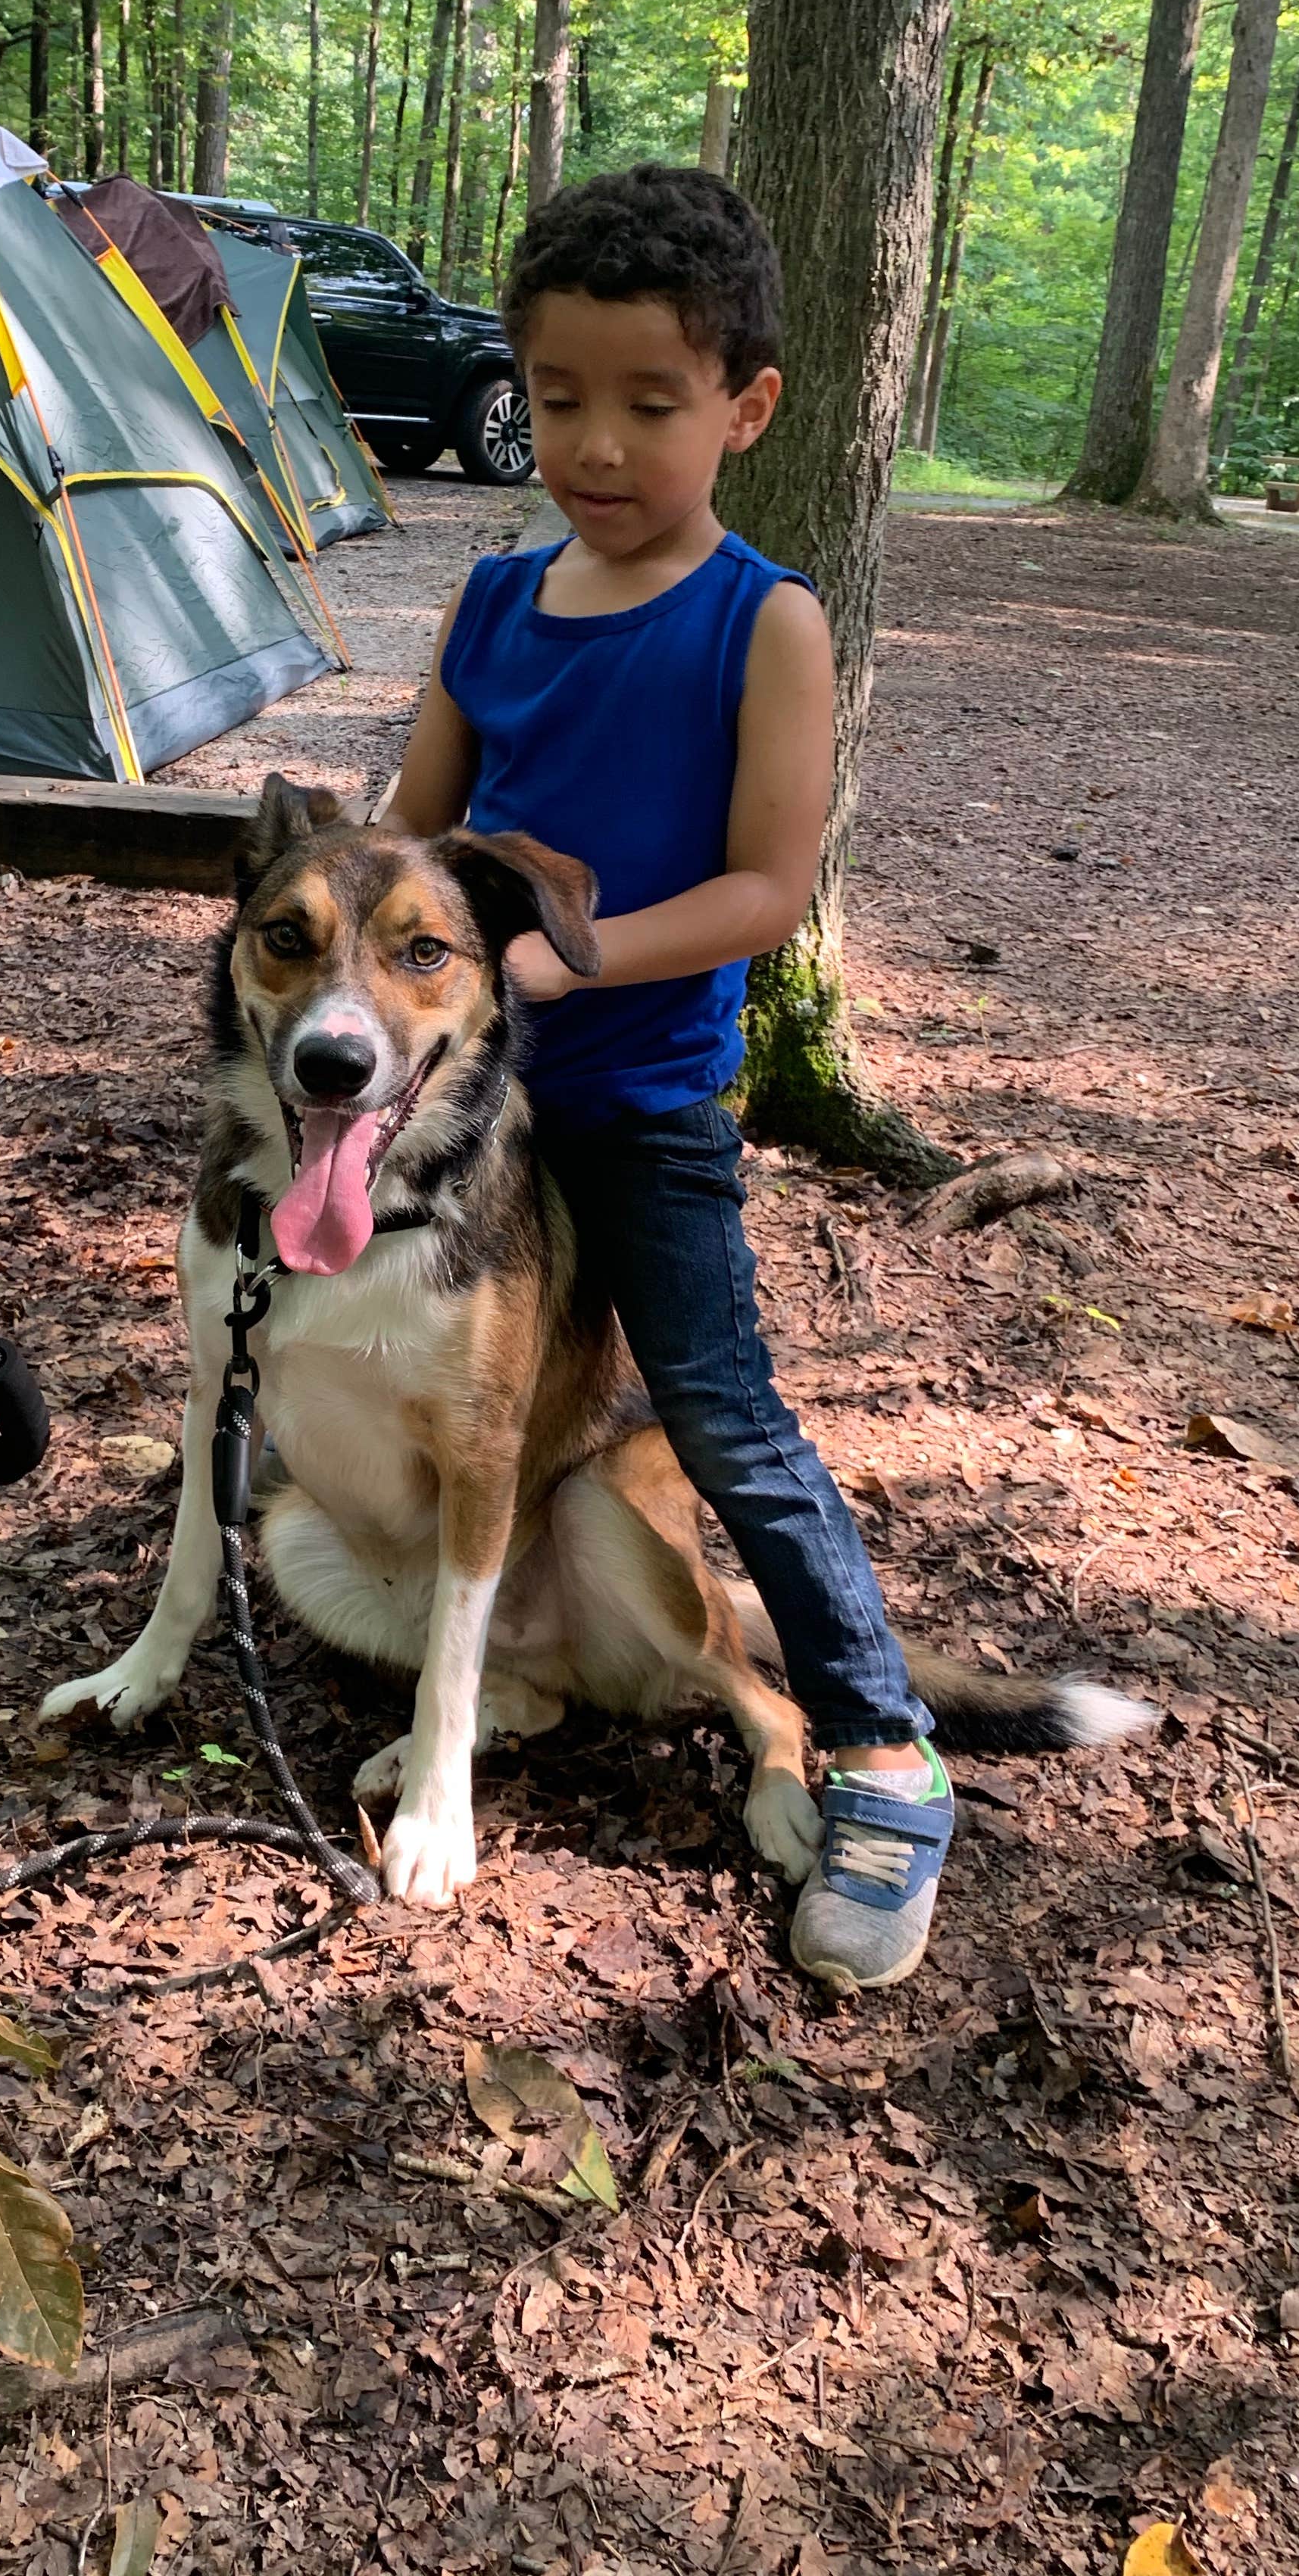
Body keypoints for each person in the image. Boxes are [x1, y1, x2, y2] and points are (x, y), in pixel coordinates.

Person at [386, 161, 948, 1991]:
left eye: (650, 403)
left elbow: (767, 890)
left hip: (634, 1115)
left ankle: (882, 1750)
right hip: (462, 1119)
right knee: (452, 1406)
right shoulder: (488, 603)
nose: (597, 446)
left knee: (719, 1418)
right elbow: (414, 837)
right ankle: (486, 1653)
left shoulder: (761, 621)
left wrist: (555, 955)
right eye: (559, 401)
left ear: (747, 407)